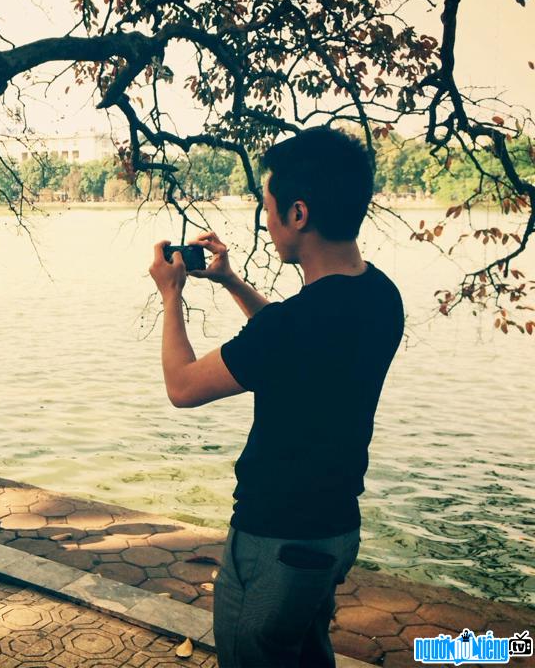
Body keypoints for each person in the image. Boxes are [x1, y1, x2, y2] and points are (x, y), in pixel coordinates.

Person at [148, 127, 404, 668]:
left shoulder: (292, 328)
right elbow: (298, 343)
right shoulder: (382, 295)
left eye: (268, 210)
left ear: (299, 214)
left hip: (275, 541)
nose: (266, 225)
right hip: (335, 534)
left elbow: (183, 386)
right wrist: (233, 283)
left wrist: (172, 296)